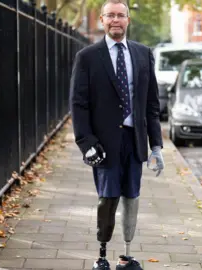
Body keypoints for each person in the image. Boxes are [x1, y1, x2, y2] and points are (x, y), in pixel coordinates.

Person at [69, 0, 165, 269]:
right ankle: (101, 256)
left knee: (132, 198)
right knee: (108, 199)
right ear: (102, 20)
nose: (115, 20)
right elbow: (78, 104)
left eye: (120, 15)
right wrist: (86, 142)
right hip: (104, 144)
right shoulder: (87, 57)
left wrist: (156, 146)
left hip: (134, 142)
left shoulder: (143, 54)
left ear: (128, 20)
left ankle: (127, 254)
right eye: (110, 15)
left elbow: (151, 105)